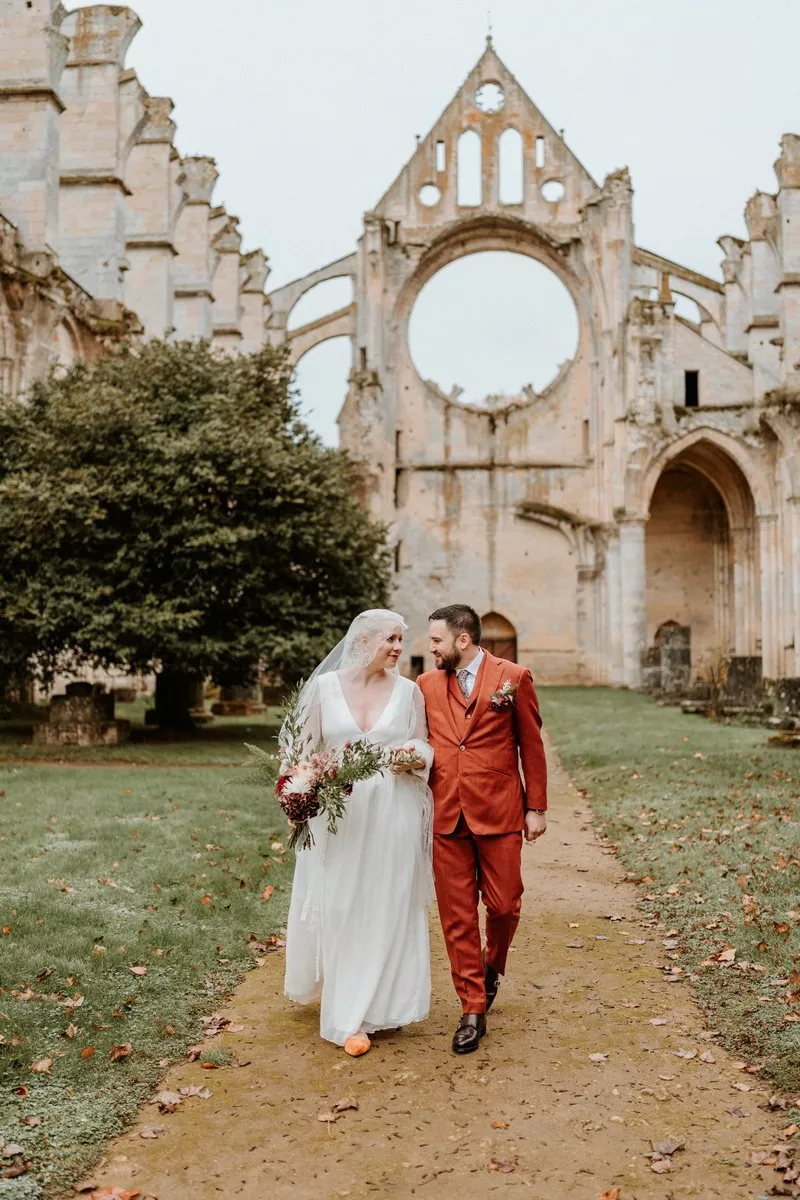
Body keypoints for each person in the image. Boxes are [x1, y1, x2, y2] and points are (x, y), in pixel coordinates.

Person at [283, 609, 434, 1056]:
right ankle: (347, 1014)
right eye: (390, 639)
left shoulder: (408, 692)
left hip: (393, 811)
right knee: (344, 903)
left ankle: (381, 1006)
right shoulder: (323, 689)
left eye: (400, 640)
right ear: (364, 640)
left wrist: (416, 756)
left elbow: (423, 743)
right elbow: (297, 751)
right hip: (337, 813)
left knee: (387, 902)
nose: (397, 648)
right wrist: (297, 792)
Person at [416, 604, 547, 1055]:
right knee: (457, 918)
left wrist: (537, 808)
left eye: (436, 641)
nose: (430, 648)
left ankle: (493, 962)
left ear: (462, 640)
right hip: (446, 814)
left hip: (500, 811)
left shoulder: (514, 677)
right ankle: (472, 1007)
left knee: (506, 904)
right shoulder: (426, 685)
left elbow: (531, 744)